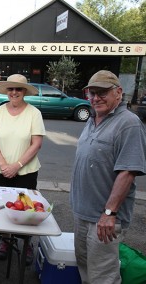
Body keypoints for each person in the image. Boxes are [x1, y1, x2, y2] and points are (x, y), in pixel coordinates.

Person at [70, 70, 146, 283]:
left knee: (103, 276)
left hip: (104, 219)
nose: (96, 98)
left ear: (118, 92)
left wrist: (109, 213)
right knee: (85, 269)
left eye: (102, 93)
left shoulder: (128, 123)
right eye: (92, 93)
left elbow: (128, 172)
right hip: (83, 213)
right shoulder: (93, 118)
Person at [0, 74, 45, 264]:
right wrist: (4, 165)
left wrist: (17, 166)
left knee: (26, 210)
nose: (14, 92)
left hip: (25, 172)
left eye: (18, 89)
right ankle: (5, 241)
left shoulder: (34, 113)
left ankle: (26, 243)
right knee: (4, 208)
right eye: (10, 89)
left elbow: (36, 144)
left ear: (24, 92)